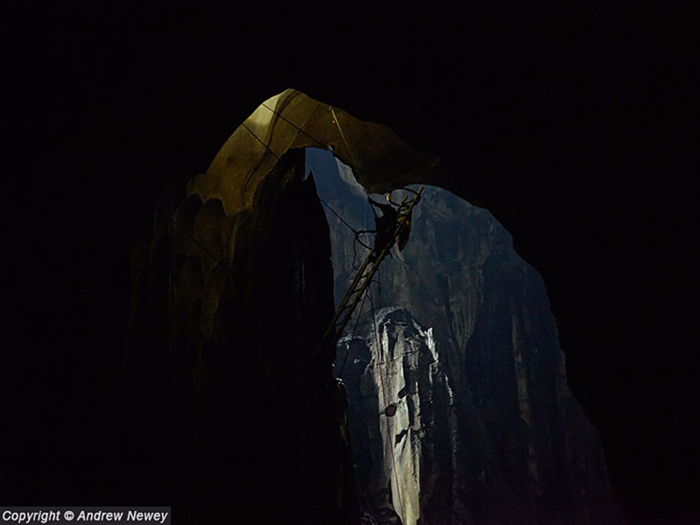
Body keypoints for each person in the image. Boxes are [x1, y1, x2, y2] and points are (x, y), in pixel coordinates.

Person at [367, 194, 399, 262]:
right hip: (385, 234)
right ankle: (377, 257)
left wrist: (373, 202)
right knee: (378, 242)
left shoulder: (390, 213)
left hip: (387, 235)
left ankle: (377, 257)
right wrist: (377, 221)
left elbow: (383, 207)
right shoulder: (388, 215)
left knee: (379, 241)